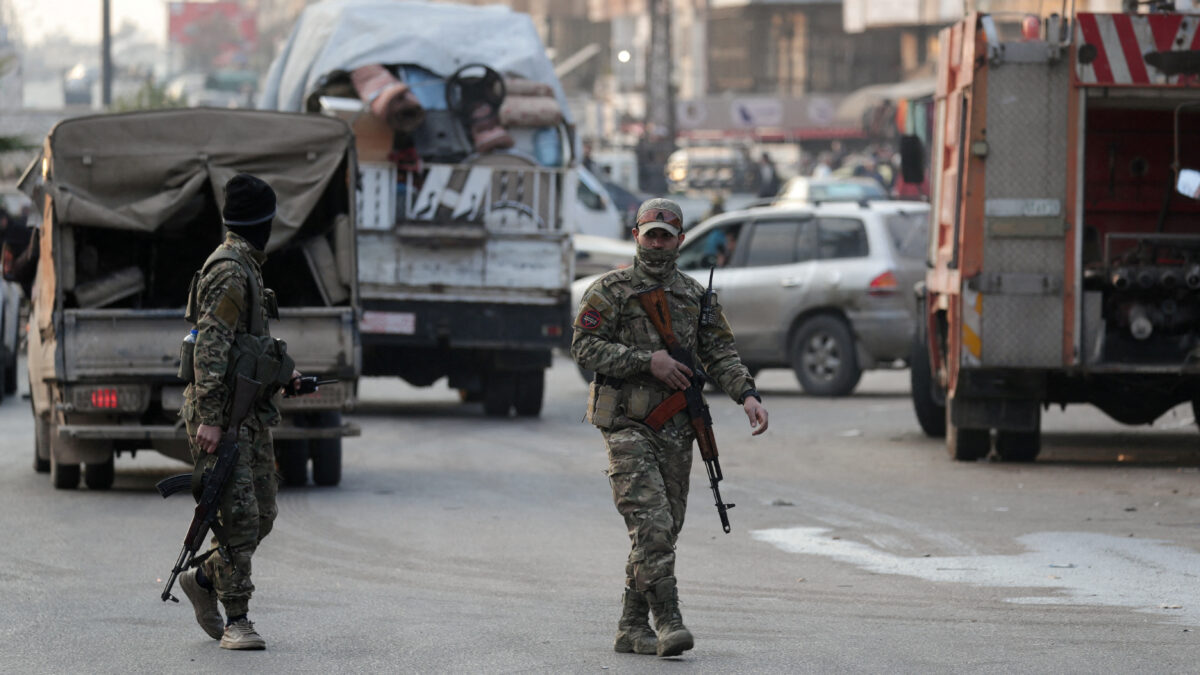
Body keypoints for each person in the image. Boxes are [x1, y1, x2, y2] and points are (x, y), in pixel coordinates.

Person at [571, 198, 769, 658]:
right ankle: (669, 621)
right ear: (636, 236)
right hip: (625, 424)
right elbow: (584, 347)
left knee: (664, 528)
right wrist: (647, 362)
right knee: (653, 523)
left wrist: (748, 395)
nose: (658, 243)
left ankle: (631, 626)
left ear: (681, 240)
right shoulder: (611, 290)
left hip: (677, 427)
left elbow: (719, 353)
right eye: (650, 234)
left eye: (666, 235)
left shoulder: (696, 296)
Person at [178, 173, 302, 650]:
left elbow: (245, 345)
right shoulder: (230, 270)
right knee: (238, 517)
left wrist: (283, 374)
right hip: (223, 415)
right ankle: (238, 620)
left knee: (263, 513)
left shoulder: (247, 266)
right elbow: (210, 346)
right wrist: (209, 417)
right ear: (262, 222)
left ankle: (204, 579)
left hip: (246, 411)